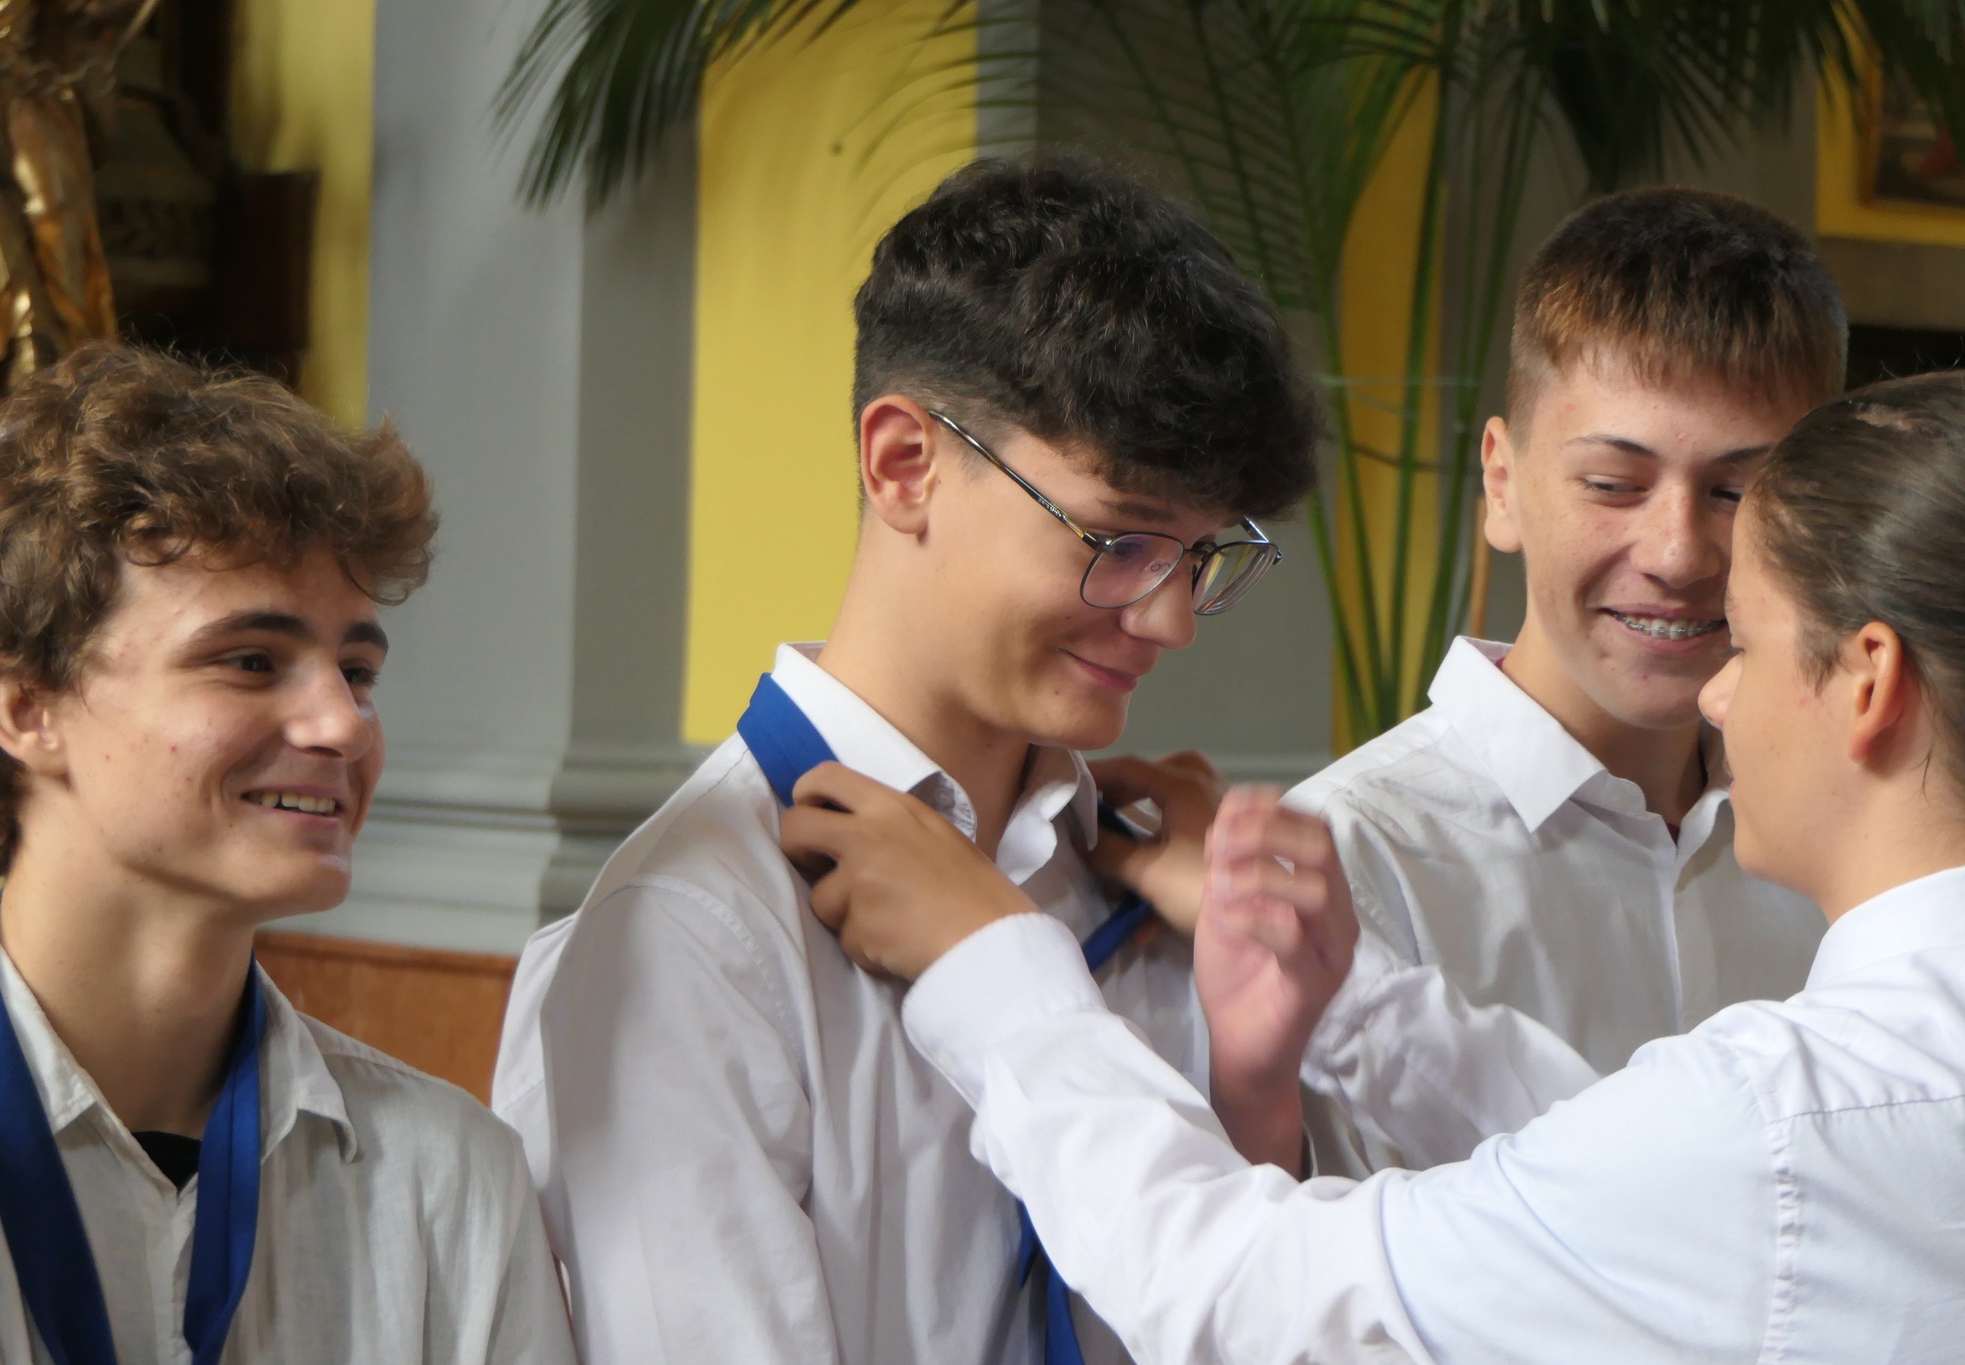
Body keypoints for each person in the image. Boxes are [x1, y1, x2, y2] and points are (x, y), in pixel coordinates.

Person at [796, 369, 1965, 1362]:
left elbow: (1250, 1293)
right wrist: (1343, 1002)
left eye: (1744, 647)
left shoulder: (1772, 1126)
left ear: (1866, 683)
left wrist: (999, 980)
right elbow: (1639, 1171)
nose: (1714, 694)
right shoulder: (1812, 1113)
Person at [490, 156, 1323, 1364]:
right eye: (1119, 541)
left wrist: (1257, 1086)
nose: (1169, 621)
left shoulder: (1152, 885)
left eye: (1200, 558)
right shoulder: (691, 932)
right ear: (903, 465)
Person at [1097, 187, 1843, 1171]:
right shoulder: (1342, 865)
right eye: (1612, 484)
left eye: (1737, 491)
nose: (1676, 552)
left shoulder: (1855, 841)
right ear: (1501, 482)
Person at [0, 343, 574, 1365]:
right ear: (26, 707)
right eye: (252, 661)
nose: (343, 725)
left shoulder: (450, 1180)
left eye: (357, 670)